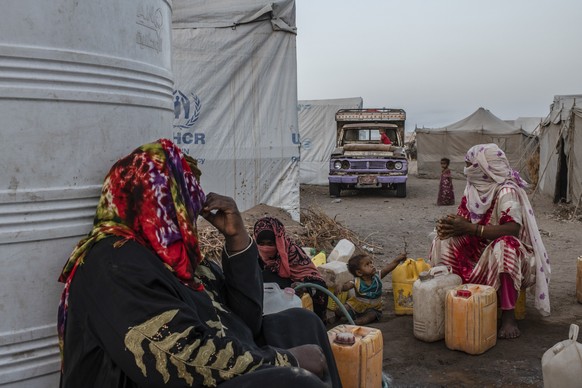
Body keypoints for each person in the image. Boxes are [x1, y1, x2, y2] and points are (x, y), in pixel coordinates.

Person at [57, 139, 342, 388]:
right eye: (184, 196)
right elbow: (178, 359)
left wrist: (237, 237)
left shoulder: (178, 260)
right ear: (154, 200)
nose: (194, 206)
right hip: (173, 378)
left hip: (208, 367)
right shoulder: (114, 262)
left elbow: (245, 319)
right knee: (293, 381)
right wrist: (286, 360)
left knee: (301, 322)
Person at [430, 143, 551, 339]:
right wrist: (453, 225)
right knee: (442, 240)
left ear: (484, 168)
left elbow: (512, 229)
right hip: (480, 248)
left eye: (471, 165)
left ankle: (508, 316)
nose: (467, 169)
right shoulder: (473, 187)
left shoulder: (506, 190)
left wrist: (471, 228)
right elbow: (466, 218)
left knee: (505, 247)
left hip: (513, 257)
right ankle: (456, 299)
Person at [253, 217, 329, 322]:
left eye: (270, 244)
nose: (265, 248)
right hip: (270, 306)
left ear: (279, 241)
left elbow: (315, 280)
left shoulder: (293, 252)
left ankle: (318, 323)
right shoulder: (253, 255)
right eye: (261, 244)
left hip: (292, 289)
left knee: (320, 289)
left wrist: (303, 287)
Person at [335, 252, 407, 325]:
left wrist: (397, 260)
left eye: (371, 263)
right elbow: (346, 286)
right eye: (367, 264)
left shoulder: (377, 276)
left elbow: (388, 268)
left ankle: (354, 323)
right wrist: (341, 285)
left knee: (369, 317)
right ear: (359, 272)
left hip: (373, 308)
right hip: (356, 306)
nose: (372, 265)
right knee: (340, 309)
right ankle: (337, 318)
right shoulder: (356, 281)